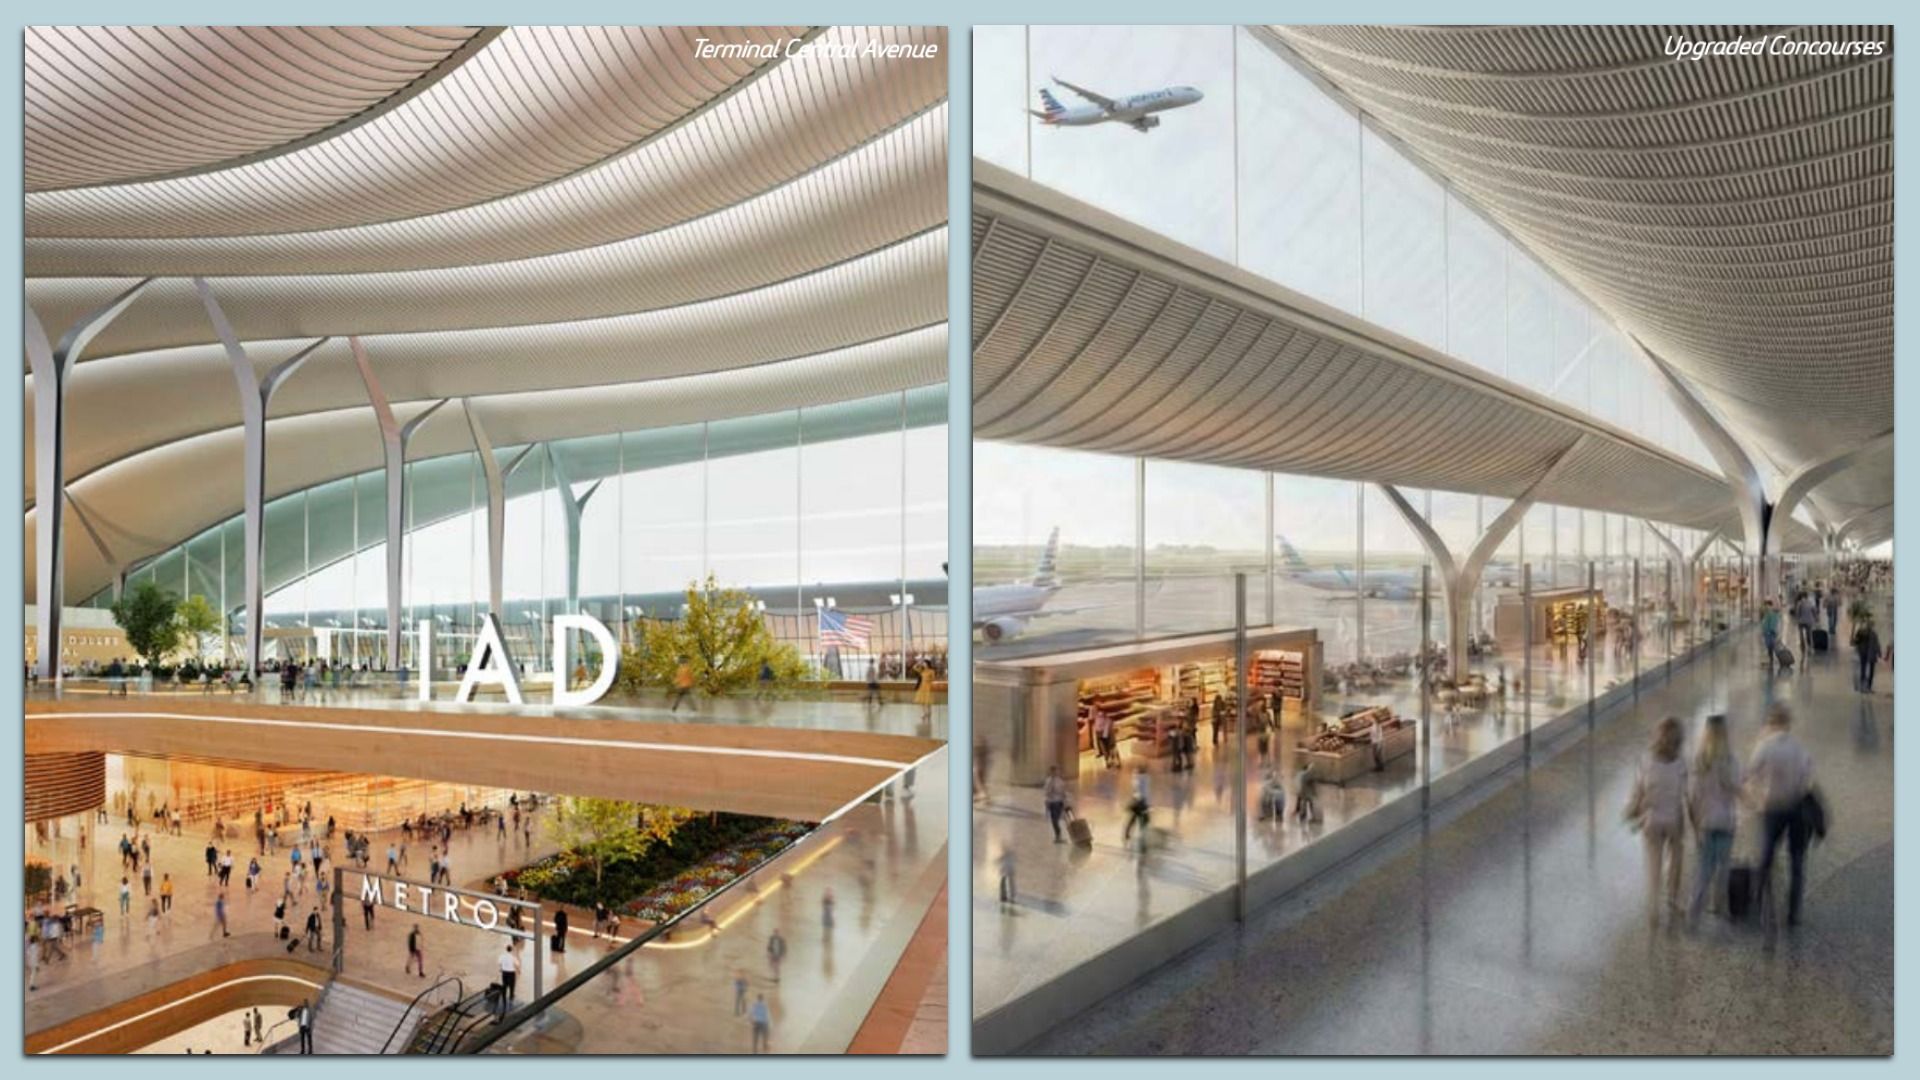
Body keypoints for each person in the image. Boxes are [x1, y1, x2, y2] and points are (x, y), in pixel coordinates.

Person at [1746, 704, 1817, 928]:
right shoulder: (1798, 747)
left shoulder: (1764, 747)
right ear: (1787, 723)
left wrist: (1757, 798)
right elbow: (1808, 777)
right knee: (1797, 861)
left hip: (1772, 808)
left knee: (1766, 856)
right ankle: (1793, 913)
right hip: (1796, 809)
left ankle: (1756, 901)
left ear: (1770, 723)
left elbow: (1750, 774)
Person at [1625, 717, 1688, 929]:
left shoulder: (1646, 761)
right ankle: (1673, 898)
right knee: (1676, 861)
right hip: (1673, 820)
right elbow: (1685, 794)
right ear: (1679, 740)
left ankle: (1653, 909)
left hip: (1651, 820)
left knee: (1653, 866)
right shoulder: (1681, 764)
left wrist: (1632, 811)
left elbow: (1637, 792)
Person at [1687, 714, 1741, 925]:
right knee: (1723, 868)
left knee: (1703, 869)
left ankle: (1693, 914)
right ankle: (1720, 908)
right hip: (1726, 821)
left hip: (1706, 822)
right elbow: (1738, 789)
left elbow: (1693, 797)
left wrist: (1694, 824)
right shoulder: (1732, 760)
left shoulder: (1700, 762)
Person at [1853, 618, 1883, 692]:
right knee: (1868, 670)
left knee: (1866, 669)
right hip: (1867, 654)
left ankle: (1865, 686)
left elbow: (1855, 642)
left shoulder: (1865, 633)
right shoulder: (1869, 633)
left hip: (1866, 653)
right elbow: (1876, 644)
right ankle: (1867, 686)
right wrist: (1879, 653)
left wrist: (1879, 652)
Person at [1123, 767, 1151, 845]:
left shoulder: (1138, 779)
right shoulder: (1142, 780)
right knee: (1143, 820)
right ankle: (1141, 835)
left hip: (1139, 802)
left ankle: (1127, 834)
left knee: (1135, 819)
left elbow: (1137, 792)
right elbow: (1142, 793)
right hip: (1141, 802)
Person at [1042, 765, 1069, 842]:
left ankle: (1059, 836)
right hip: (1053, 803)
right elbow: (1047, 792)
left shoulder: (1059, 780)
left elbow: (1063, 791)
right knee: (1055, 820)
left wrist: (1065, 800)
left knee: (1057, 819)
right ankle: (1058, 836)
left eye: (1057, 771)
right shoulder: (1049, 781)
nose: (1056, 772)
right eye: (1054, 771)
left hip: (1059, 802)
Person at [1760, 600, 1783, 672]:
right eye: (1765, 606)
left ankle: (1779, 659)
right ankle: (1771, 660)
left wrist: (1774, 632)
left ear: (1770, 606)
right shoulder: (1767, 614)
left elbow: (1773, 625)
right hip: (1767, 634)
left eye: (1766, 606)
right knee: (1770, 648)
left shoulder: (1771, 614)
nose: (1765, 607)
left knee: (1772, 648)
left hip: (1770, 634)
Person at [913, 659, 936, 724]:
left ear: (928, 664)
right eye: (923, 663)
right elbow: (914, 668)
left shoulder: (931, 671)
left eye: (924, 663)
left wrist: (928, 679)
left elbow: (933, 678)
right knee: (922, 700)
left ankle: (929, 711)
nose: (924, 664)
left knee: (928, 700)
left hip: (928, 686)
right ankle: (924, 713)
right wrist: (918, 663)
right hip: (922, 686)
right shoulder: (922, 670)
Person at [498, 942, 519, 1010]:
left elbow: (499, 963)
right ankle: (511, 997)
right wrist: (519, 971)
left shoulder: (502, 956)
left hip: (504, 972)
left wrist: (501, 968)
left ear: (506, 949)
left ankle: (504, 996)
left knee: (504, 984)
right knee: (512, 986)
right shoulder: (513, 957)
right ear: (511, 950)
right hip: (511, 973)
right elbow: (517, 964)